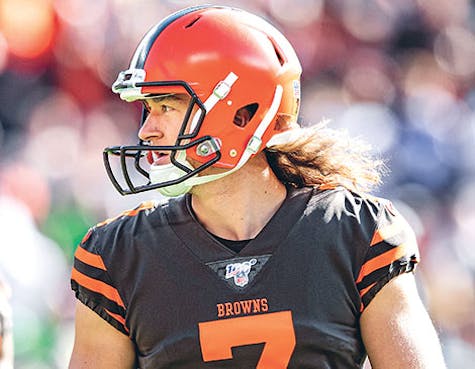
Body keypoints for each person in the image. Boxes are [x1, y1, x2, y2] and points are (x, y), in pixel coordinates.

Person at [69, 5, 447, 369]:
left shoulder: (356, 234)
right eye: (147, 109)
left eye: (166, 106)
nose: (146, 130)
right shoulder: (115, 257)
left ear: (242, 111)